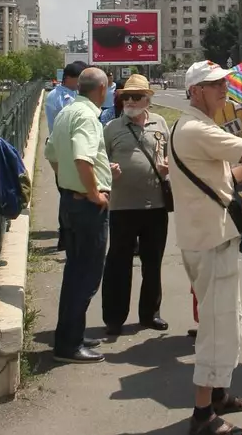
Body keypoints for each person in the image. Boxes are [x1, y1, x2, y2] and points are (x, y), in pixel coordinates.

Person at [168, 60, 242, 435]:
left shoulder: (192, 127)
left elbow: (226, 176)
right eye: (215, 85)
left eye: (223, 84)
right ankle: (202, 414)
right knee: (217, 327)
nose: (223, 90)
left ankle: (217, 395)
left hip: (207, 237)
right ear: (196, 90)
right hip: (210, 241)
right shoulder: (197, 128)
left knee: (227, 320)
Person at [46, 67, 115, 364]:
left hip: (70, 202)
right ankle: (69, 345)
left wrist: (73, 183)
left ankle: (71, 335)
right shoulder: (88, 117)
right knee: (85, 275)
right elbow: (81, 158)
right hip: (87, 208)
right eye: (108, 89)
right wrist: (93, 192)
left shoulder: (67, 112)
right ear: (101, 90)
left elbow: (53, 156)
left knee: (75, 272)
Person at [101, 75, 171, 336]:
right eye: (126, 97)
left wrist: (167, 169)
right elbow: (99, 162)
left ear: (148, 99)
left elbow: (170, 156)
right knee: (118, 263)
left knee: (153, 262)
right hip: (122, 206)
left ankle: (150, 313)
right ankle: (114, 317)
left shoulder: (160, 123)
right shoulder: (111, 128)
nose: (129, 101)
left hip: (155, 205)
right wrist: (108, 171)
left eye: (136, 96)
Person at [45, 62, 87, 251]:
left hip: (77, 149)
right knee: (67, 193)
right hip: (63, 150)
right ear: (70, 78)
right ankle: (66, 234)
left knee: (77, 192)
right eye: (80, 78)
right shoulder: (57, 96)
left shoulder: (77, 94)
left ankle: (76, 230)